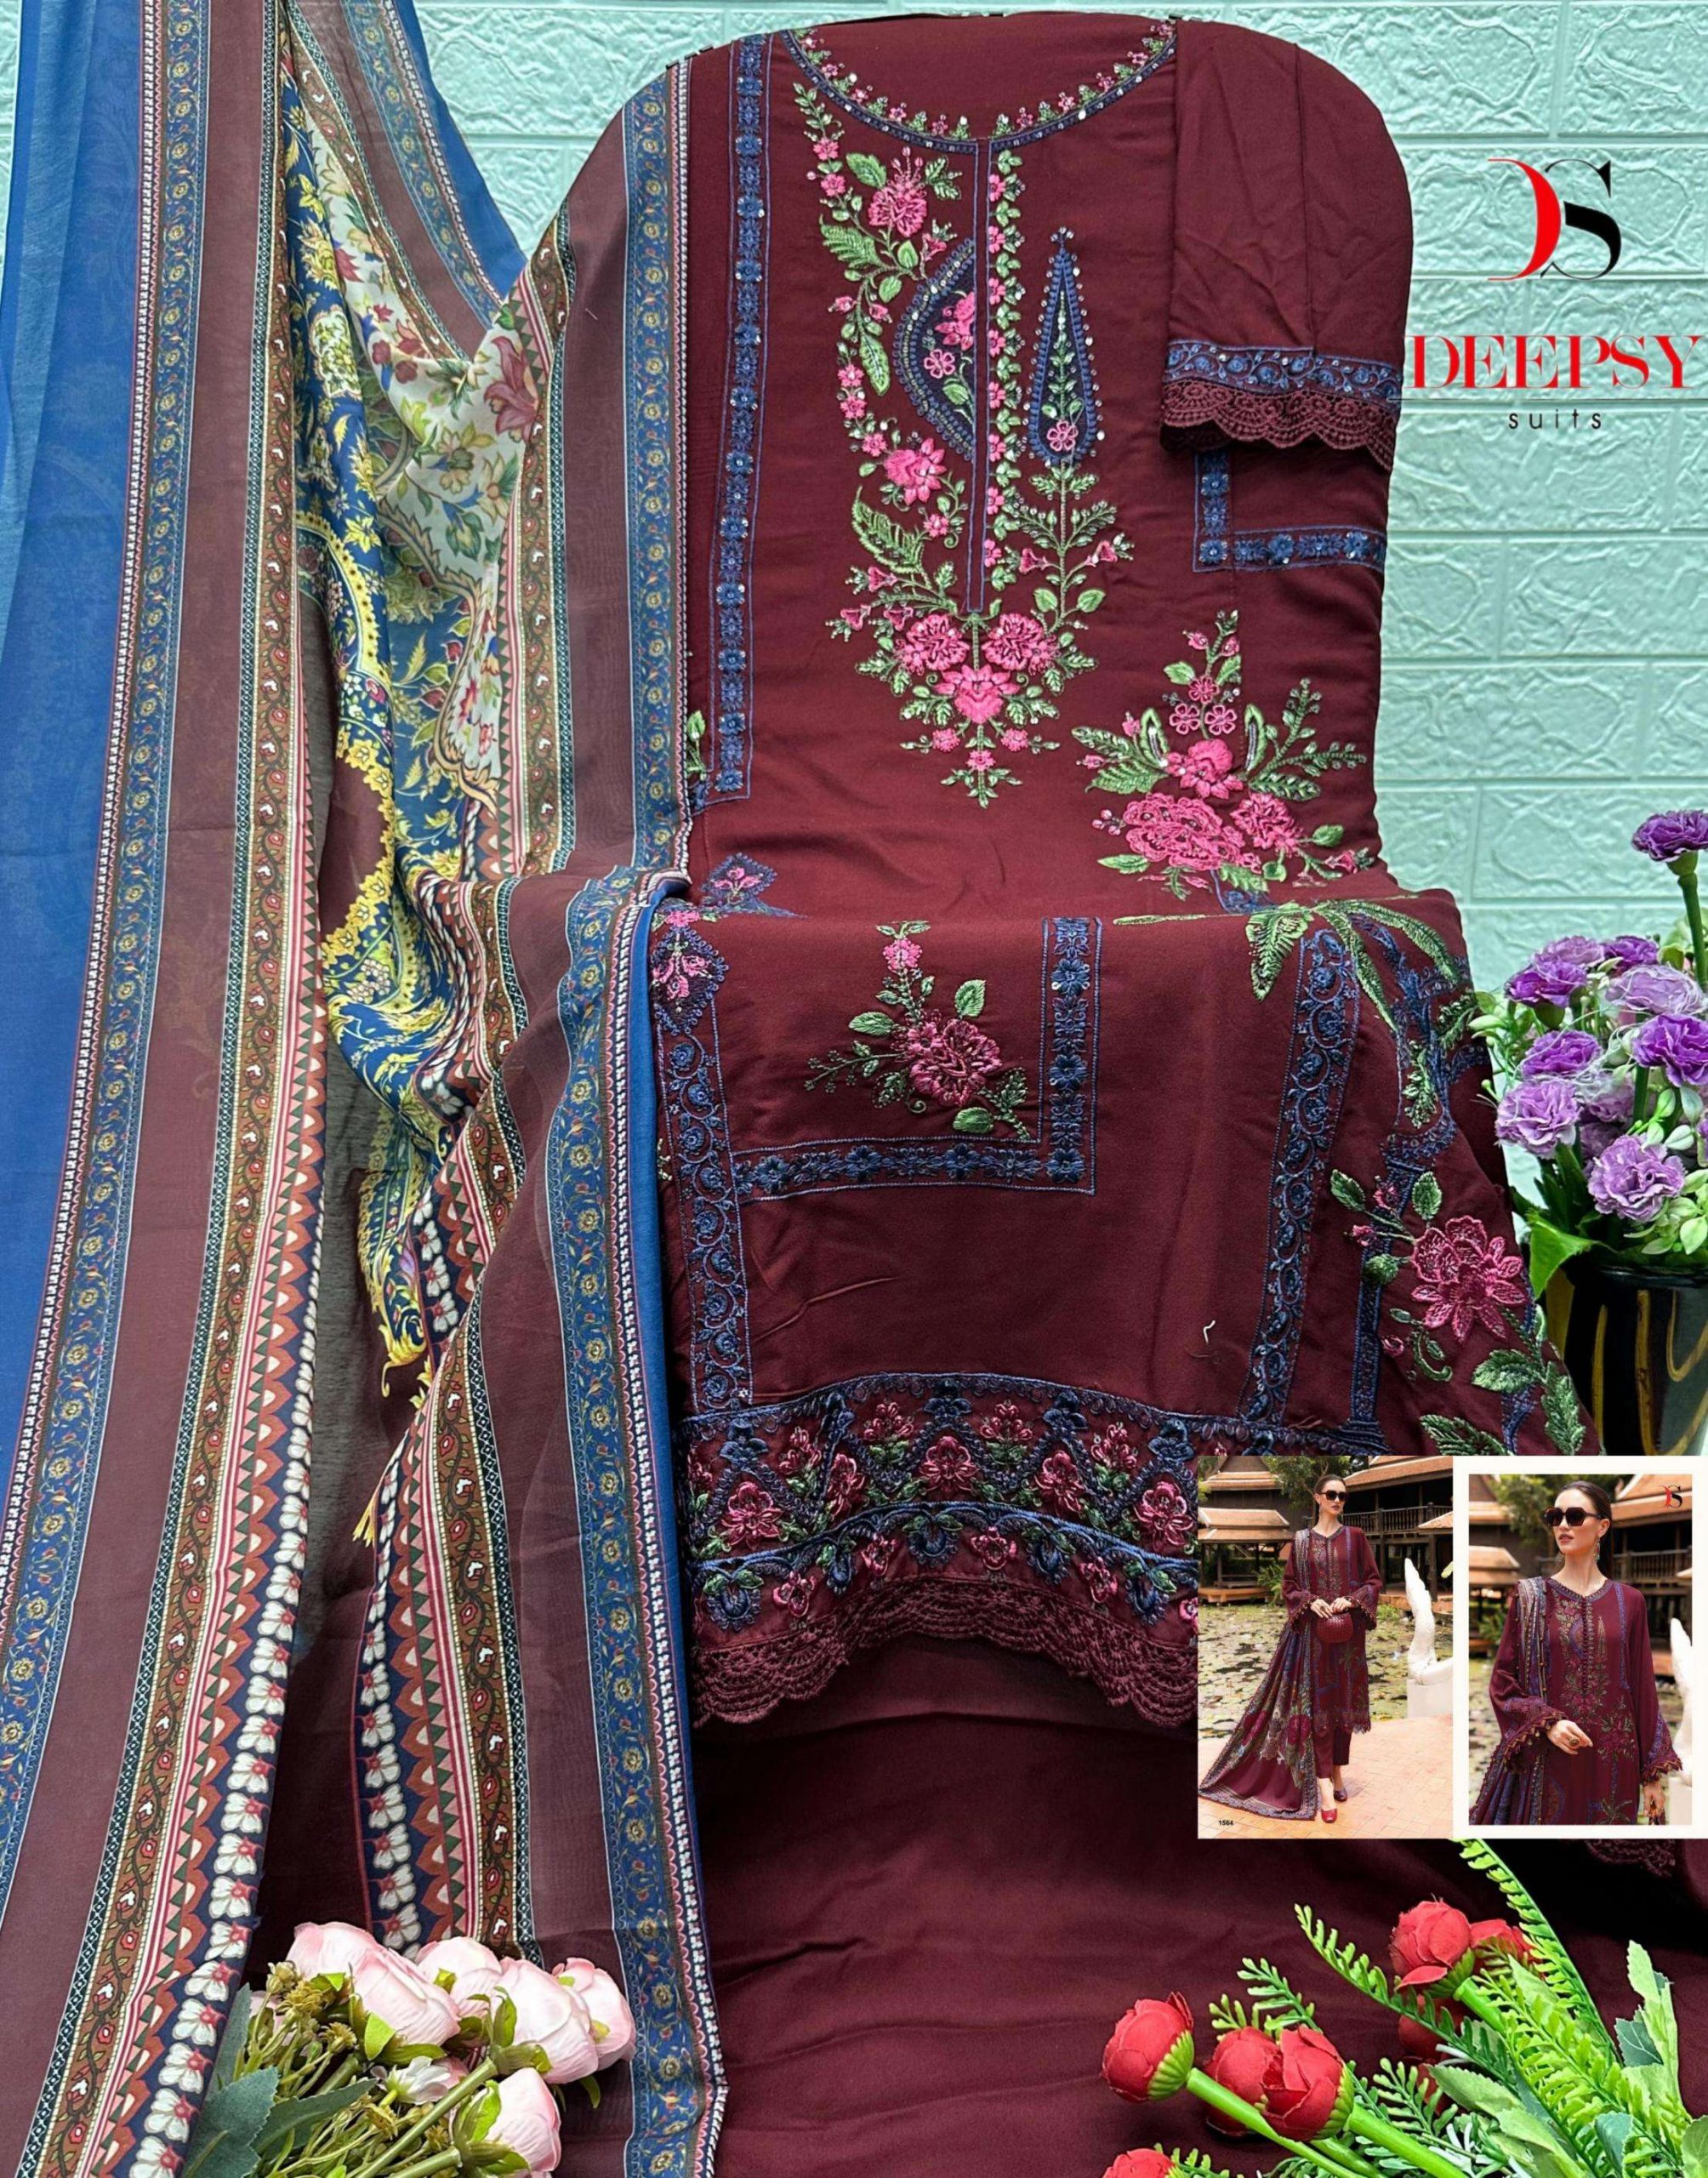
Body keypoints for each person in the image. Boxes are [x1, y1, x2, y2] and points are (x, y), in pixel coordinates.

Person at [1472, 1481, 1681, 1827]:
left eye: (1574, 1516)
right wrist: (1548, 1723)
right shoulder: (1530, 1597)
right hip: (1549, 1757)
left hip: (1615, 1765)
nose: (1563, 1525)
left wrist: (1651, 1776)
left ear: (1603, 1526)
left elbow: (1644, 1691)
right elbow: (1503, 1682)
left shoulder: (1630, 1602)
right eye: (1555, 1517)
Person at [1198, 1469, 1382, 1822]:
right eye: (1331, 1495)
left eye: (1343, 1496)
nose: (1338, 1501)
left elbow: (1373, 1582)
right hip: (1312, 1639)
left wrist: (1351, 1599)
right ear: (1317, 1498)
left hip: (1348, 1638)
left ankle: (1338, 1772)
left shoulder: (1356, 1538)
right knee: (1321, 1708)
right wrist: (1311, 1601)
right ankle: (1324, 1784)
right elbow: (1290, 1587)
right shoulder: (1300, 1542)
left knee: (1344, 1706)